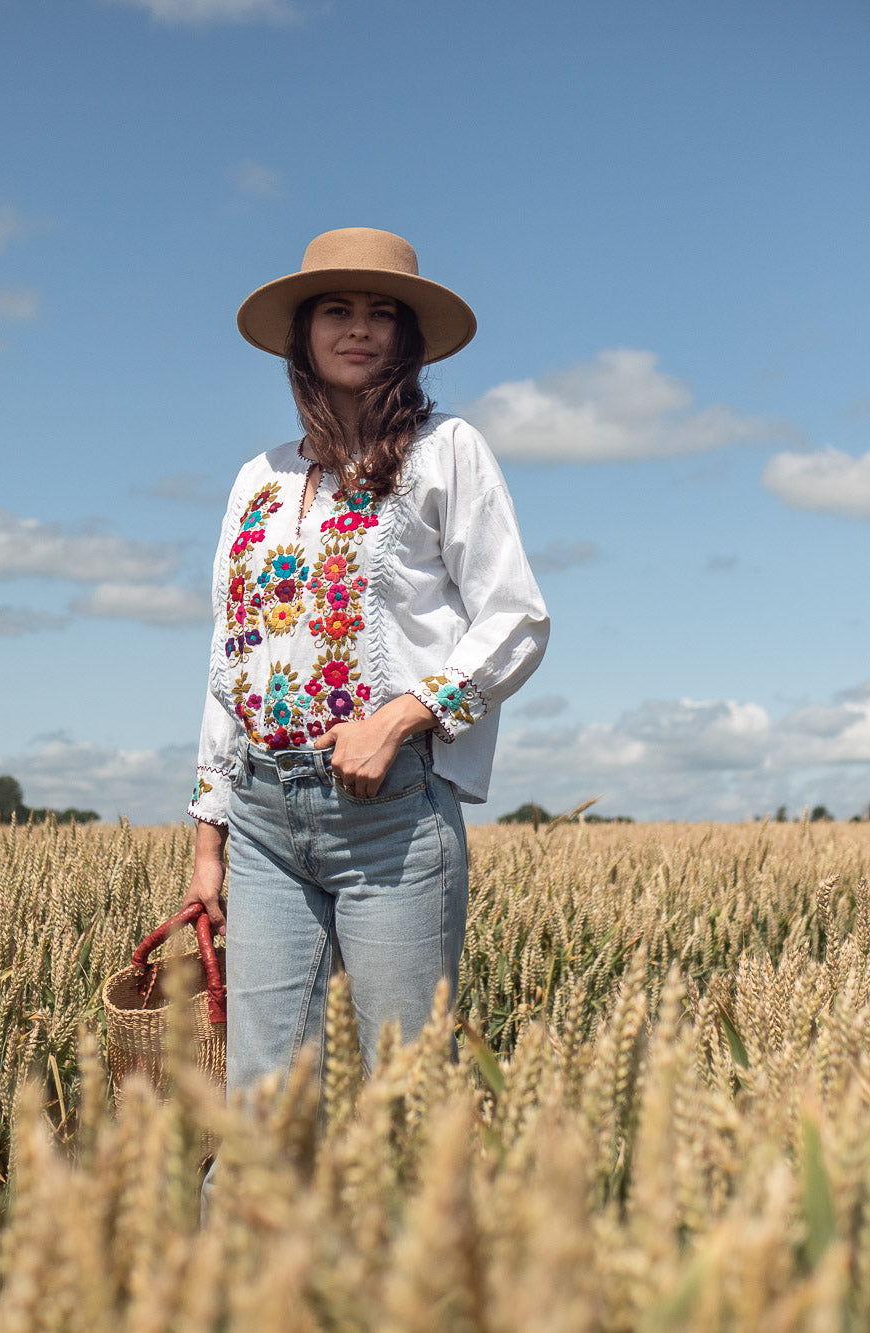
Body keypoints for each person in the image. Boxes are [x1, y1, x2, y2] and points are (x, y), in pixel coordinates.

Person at [182, 227, 549, 1096]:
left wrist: (396, 719)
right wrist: (208, 839)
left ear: (407, 337)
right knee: (262, 1106)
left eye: (382, 313)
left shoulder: (446, 449)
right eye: (337, 311)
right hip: (264, 822)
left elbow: (516, 618)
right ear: (303, 334)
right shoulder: (258, 478)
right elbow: (231, 656)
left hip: (390, 817)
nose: (359, 328)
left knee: (406, 1097)